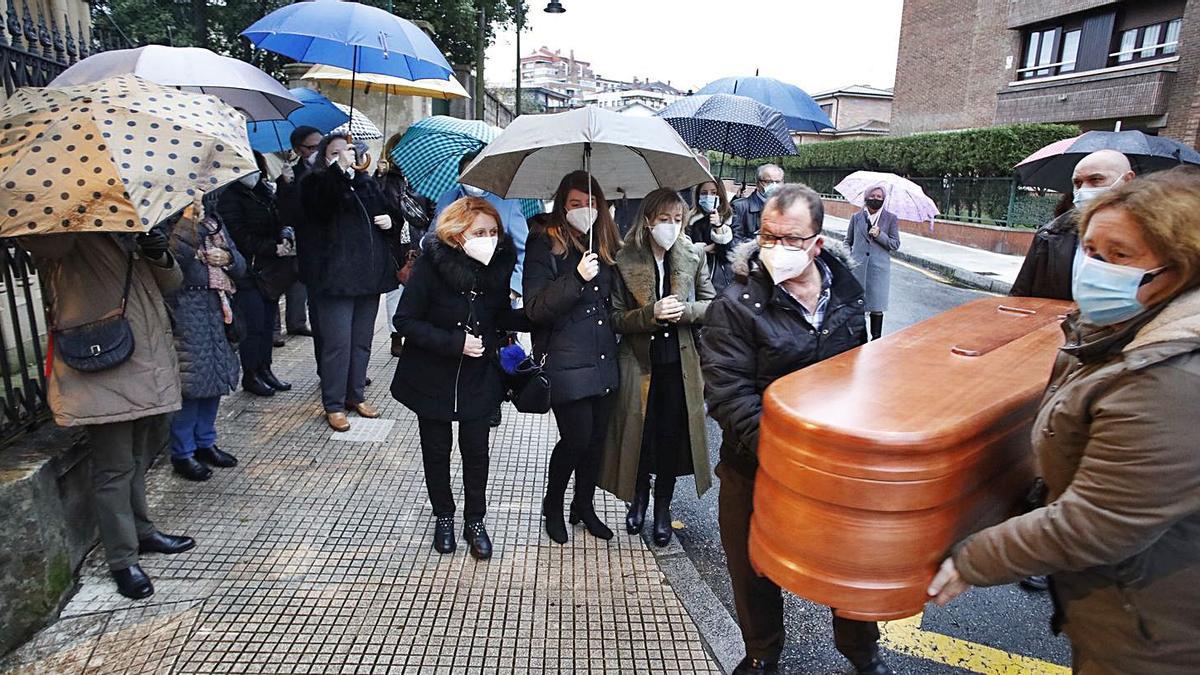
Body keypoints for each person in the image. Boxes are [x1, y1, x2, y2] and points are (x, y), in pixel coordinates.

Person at [928, 167, 1200, 675]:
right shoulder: (1115, 330)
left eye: (1119, 256)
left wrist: (973, 557)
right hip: (1122, 611)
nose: (1096, 267)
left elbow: (1097, 524)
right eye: (1091, 250)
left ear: (1179, 269)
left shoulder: (1172, 376)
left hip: (1159, 634)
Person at [704, 184, 892, 675]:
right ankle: (763, 652)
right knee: (752, 569)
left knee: (848, 564)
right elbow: (730, 394)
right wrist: (787, 457)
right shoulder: (737, 303)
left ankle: (862, 653)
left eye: (790, 240)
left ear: (816, 244)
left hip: (836, 466)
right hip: (756, 463)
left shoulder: (846, 293)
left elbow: (861, 369)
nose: (776, 249)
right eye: (768, 236)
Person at [19, 229, 195, 600]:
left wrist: (157, 252)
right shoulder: (69, 232)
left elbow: (172, 282)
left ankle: (142, 533)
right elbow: (45, 246)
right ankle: (122, 558)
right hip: (103, 363)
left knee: (133, 459)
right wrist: (70, 217)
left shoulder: (128, 228)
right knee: (113, 468)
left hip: (143, 361)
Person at [391, 197, 529, 559]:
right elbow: (404, 320)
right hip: (431, 376)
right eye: (479, 231)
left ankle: (475, 520)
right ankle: (444, 516)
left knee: (476, 452)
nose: (489, 238)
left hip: (478, 377)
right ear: (457, 234)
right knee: (436, 451)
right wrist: (454, 342)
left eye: (494, 231)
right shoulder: (431, 266)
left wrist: (538, 312)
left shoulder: (497, 268)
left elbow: (500, 317)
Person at [601, 189, 715, 547]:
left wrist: (686, 311)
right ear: (648, 220)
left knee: (670, 438)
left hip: (680, 365)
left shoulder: (693, 255)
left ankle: (663, 508)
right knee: (640, 435)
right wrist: (650, 315)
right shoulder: (624, 258)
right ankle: (639, 499)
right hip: (639, 364)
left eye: (677, 219)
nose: (671, 226)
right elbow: (616, 319)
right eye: (664, 219)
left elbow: (712, 306)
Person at [523, 170, 621, 545]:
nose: (585, 210)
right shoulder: (544, 245)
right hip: (564, 358)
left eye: (591, 203)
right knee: (576, 438)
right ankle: (553, 503)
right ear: (562, 207)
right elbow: (534, 308)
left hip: (602, 356)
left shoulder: (606, 245)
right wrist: (576, 278)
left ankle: (584, 505)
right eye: (576, 204)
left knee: (597, 440)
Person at [298, 132, 398, 432]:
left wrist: (390, 220)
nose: (345, 155)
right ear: (325, 155)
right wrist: (337, 171)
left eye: (349, 150)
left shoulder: (364, 183)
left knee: (361, 343)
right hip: (335, 278)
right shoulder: (315, 182)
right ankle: (334, 403)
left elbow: (388, 210)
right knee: (337, 344)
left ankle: (356, 395)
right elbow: (321, 207)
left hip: (368, 276)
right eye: (336, 151)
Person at [436, 151, 530, 427]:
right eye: (467, 172)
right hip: (454, 293)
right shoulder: (448, 198)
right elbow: (434, 236)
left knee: (493, 350)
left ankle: (493, 401)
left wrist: (513, 287)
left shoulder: (505, 202)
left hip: (495, 295)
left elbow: (522, 249)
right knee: (460, 347)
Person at [163, 195, 246, 482]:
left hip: (219, 306)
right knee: (192, 382)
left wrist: (228, 258)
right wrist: (189, 221)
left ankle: (205, 441)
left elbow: (241, 266)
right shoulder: (165, 222)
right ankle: (183, 452)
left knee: (215, 378)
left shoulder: (215, 221)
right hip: (186, 308)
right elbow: (171, 263)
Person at [1011, 149, 1136, 300]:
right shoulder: (1050, 235)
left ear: (1128, 180)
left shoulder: (1155, 239)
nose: (1084, 190)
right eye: (1077, 183)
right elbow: (1019, 297)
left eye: (1096, 180)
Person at [219, 151, 295, 398]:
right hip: (249, 270)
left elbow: (281, 217)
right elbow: (238, 236)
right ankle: (251, 374)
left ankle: (266, 369)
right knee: (253, 325)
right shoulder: (230, 196)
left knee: (267, 323)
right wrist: (270, 247)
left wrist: (283, 237)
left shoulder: (263, 189)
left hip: (271, 270)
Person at [376, 133, 434, 359]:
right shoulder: (386, 178)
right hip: (393, 241)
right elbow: (379, 203)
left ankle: (414, 333)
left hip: (418, 238)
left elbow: (431, 208)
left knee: (418, 288)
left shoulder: (425, 178)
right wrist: (378, 177)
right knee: (395, 290)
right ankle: (395, 335)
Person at [274, 125, 323, 338]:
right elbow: (287, 216)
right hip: (308, 250)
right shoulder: (292, 176)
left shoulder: (337, 172)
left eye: (321, 146)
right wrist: (286, 186)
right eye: (312, 148)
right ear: (299, 149)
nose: (317, 152)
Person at [845, 185, 901, 340]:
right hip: (858, 268)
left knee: (876, 307)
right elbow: (847, 241)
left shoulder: (890, 219)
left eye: (879, 197)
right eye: (873, 196)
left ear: (883, 200)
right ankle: (858, 339)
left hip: (878, 270)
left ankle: (876, 338)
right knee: (858, 305)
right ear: (866, 197)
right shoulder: (856, 218)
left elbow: (895, 244)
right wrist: (850, 258)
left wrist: (880, 234)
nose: (876, 199)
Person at [687, 180, 740, 292]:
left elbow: (729, 253)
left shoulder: (731, 217)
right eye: (704, 193)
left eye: (713, 192)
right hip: (696, 277)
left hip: (722, 279)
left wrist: (718, 226)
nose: (708, 197)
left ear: (720, 195)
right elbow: (685, 249)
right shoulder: (691, 219)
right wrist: (705, 249)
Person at [731, 164, 784, 239]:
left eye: (778, 182)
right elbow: (734, 243)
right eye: (768, 181)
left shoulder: (788, 208)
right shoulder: (739, 207)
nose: (774, 185)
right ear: (757, 183)